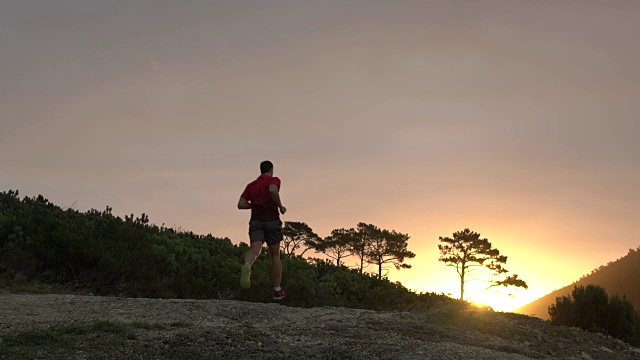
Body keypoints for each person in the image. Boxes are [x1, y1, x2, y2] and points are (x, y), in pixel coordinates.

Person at [237, 160, 288, 300]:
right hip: (271, 220)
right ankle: (277, 290)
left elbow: (240, 204)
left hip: (256, 221)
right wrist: (280, 206)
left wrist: (255, 205)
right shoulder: (274, 180)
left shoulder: (251, 186)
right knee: (275, 255)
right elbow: (272, 190)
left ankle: (247, 265)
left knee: (255, 249)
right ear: (271, 169)